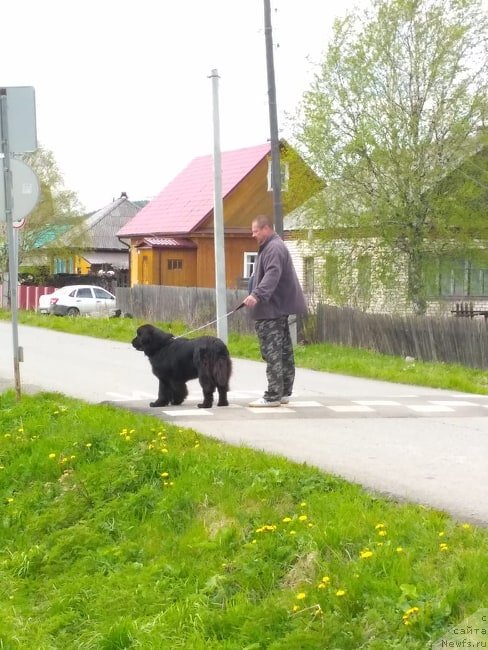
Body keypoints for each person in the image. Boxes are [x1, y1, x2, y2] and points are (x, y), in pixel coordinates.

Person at [243, 215, 307, 407]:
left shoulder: (273, 248)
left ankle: (273, 396)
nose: (253, 235)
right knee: (283, 351)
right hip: (276, 308)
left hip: (270, 310)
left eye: (255, 231)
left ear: (266, 229)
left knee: (273, 353)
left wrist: (257, 295)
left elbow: (272, 274)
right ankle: (284, 392)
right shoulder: (272, 246)